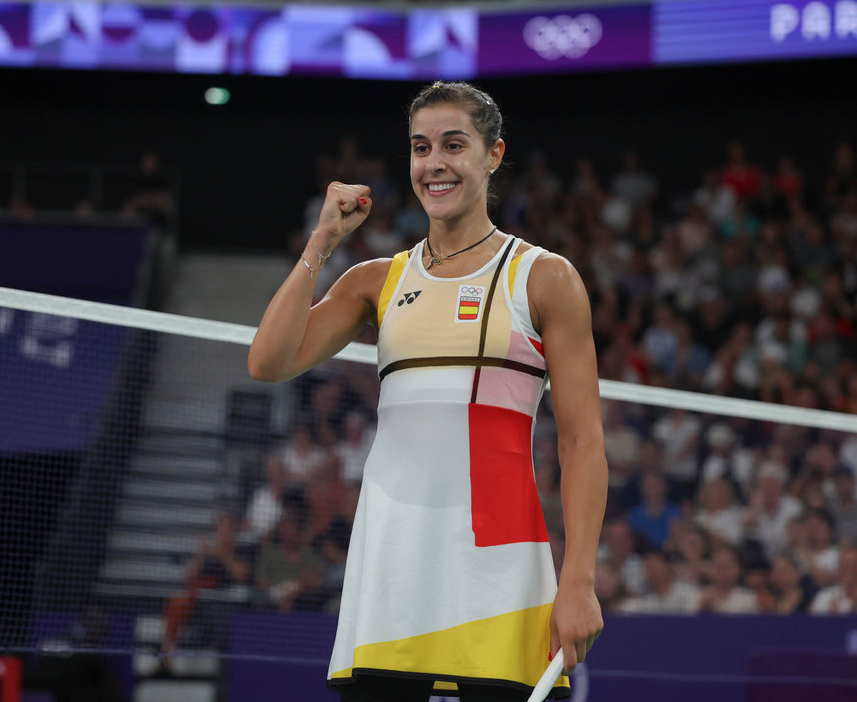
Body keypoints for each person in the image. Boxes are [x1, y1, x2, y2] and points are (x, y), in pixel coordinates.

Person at [249, 81, 607, 701]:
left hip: (499, 567)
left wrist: (577, 580)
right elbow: (268, 361)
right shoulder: (377, 281)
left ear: (493, 155)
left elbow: (582, 441)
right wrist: (321, 241)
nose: (433, 164)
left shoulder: (544, 277)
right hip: (392, 563)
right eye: (420, 148)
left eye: (453, 145)